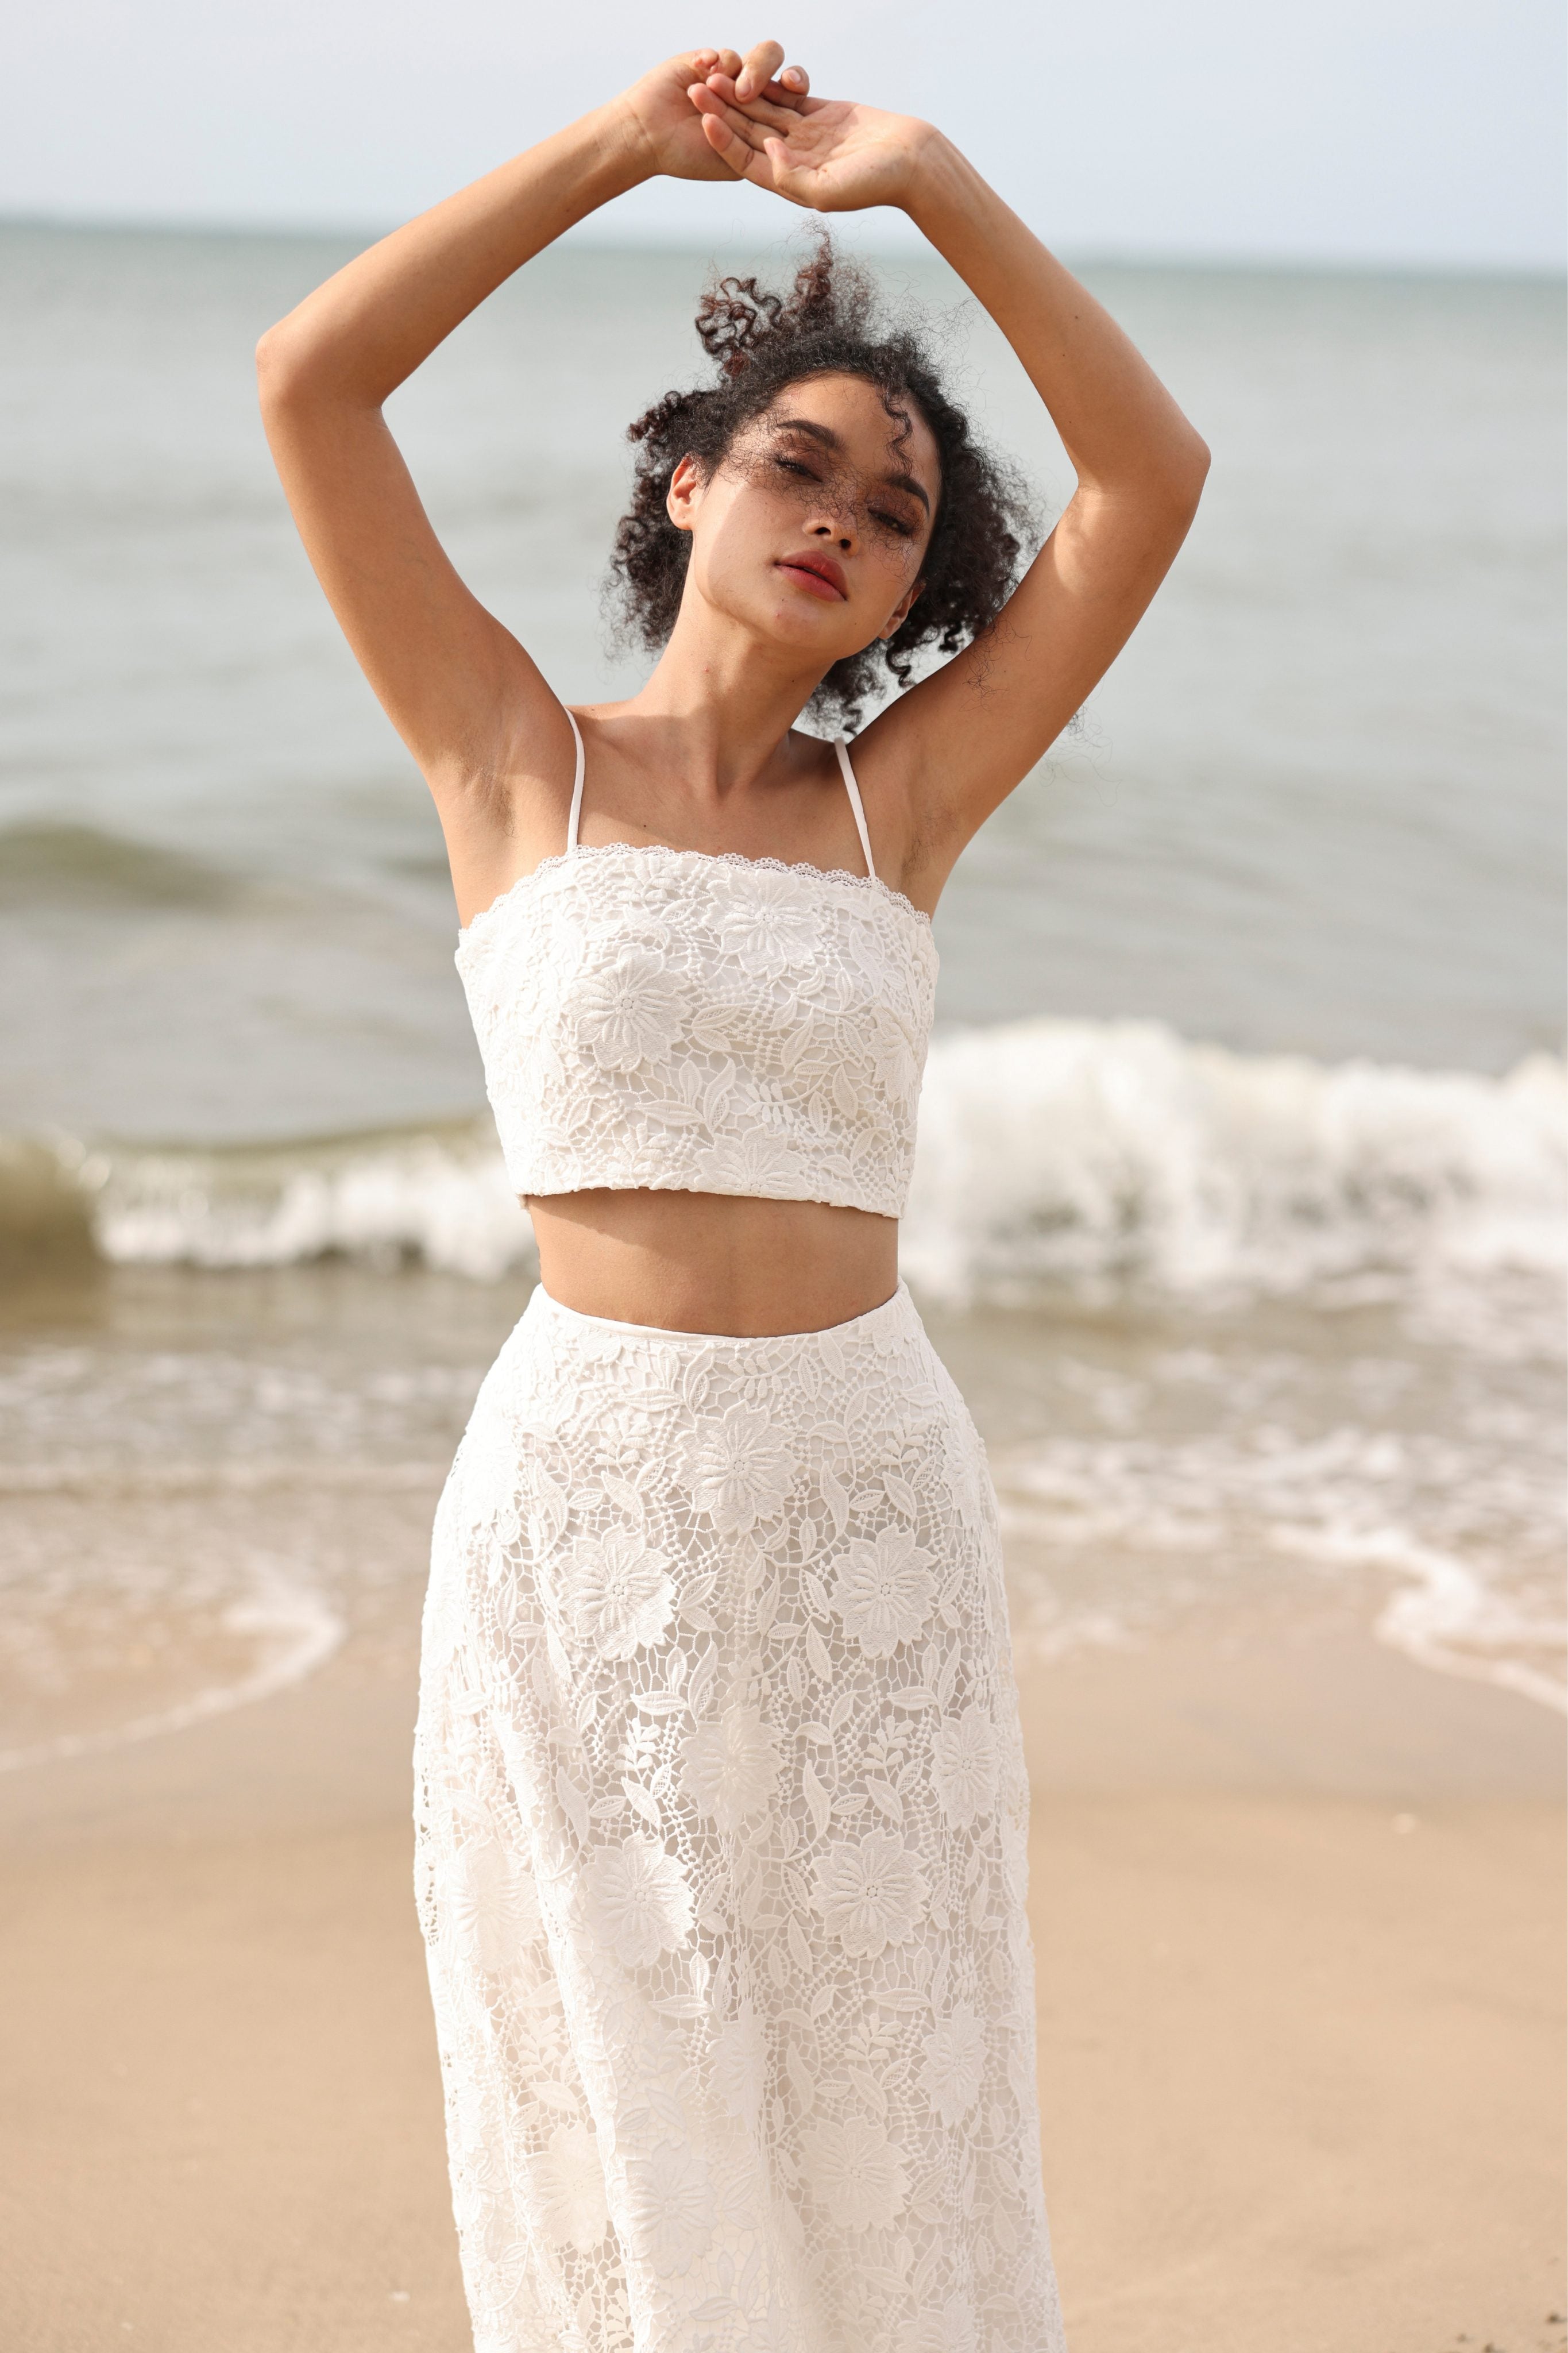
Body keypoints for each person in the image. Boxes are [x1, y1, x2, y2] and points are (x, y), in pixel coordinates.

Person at [257, 40, 1207, 2352]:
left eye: (890, 513)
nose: (841, 522)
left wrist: (929, 184)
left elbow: (1146, 477)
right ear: (682, 483)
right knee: (625, 2083)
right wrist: (621, 149)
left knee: (891, 2092)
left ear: (904, 588)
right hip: (578, 1516)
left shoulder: (904, 803)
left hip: (867, 1516)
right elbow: (312, 383)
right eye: (796, 462)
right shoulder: (509, 760)